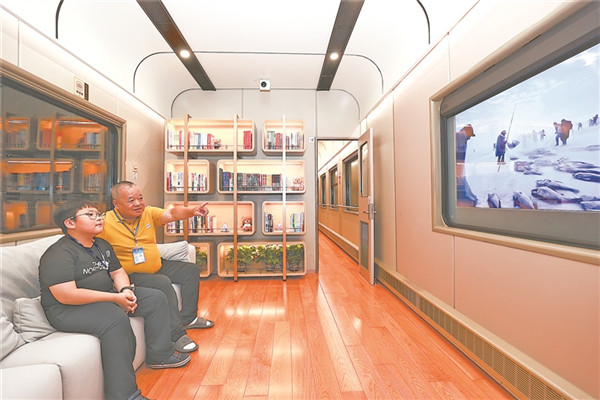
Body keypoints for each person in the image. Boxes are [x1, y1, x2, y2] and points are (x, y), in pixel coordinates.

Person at [39, 200, 190, 400]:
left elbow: (117, 272)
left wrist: (126, 291)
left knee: (155, 298)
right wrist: (115, 298)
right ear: (70, 223)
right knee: (115, 319)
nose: (98, 218)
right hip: (67, 309)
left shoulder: (101, 245)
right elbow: (67, 295)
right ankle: (124, 394)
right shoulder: (59, 253)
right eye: (90, 215)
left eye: (98, 214)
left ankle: (160, 355)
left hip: (106, 296)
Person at [97, 181, 214, 355]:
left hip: (156, 266)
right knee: (162, 282)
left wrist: (191, 211)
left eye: (140, 198)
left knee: (190, 271)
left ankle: (188, 318)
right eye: (131, 200)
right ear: (116, 204)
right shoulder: (105, 223)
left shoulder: (148, 213)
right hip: (130, 274)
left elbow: (172, 213)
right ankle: (176, 335)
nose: (138, 203)